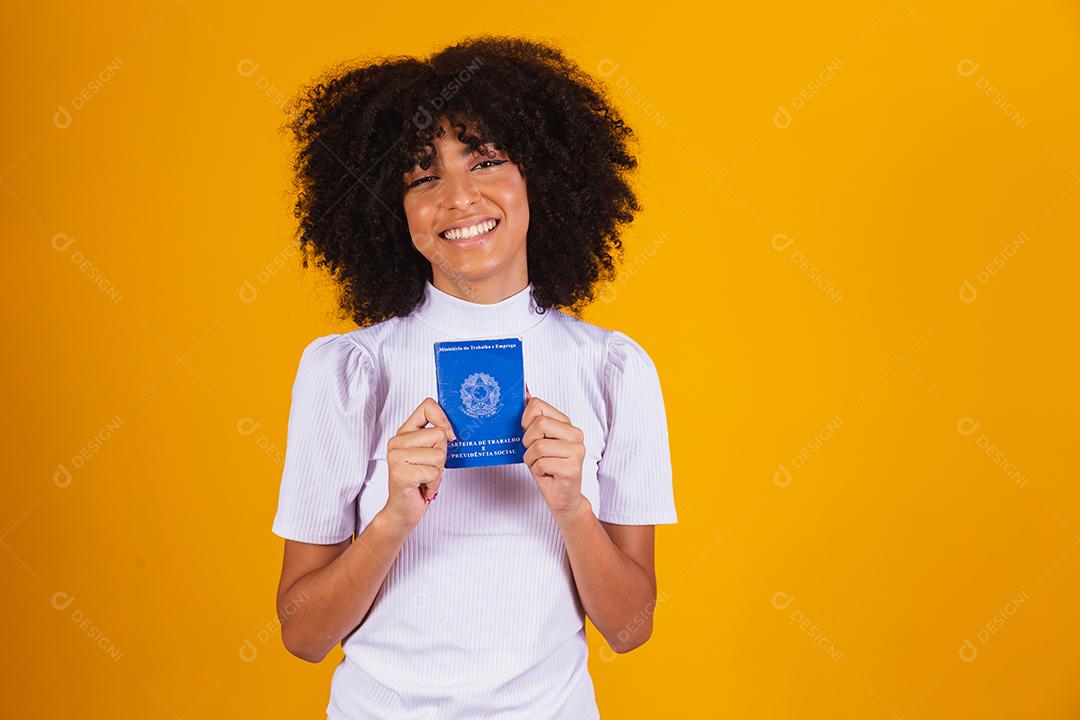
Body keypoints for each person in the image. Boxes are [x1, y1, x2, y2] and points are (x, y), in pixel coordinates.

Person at [271, 34, 679, 719]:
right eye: (422, 176)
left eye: (486, 160)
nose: (459, 199)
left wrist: (572, 508)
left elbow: (630, 629)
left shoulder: (613, 368)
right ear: (389, 209)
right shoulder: (345, 371)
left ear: (538, 178)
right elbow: (303, 635)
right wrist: (393, 520)